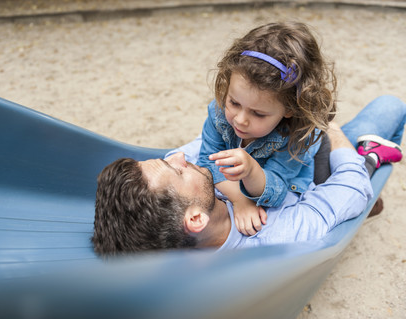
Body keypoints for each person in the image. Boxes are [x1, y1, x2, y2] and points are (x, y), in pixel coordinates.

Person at [92, 95, 405, 257]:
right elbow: (351, 187)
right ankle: (371, 157)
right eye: (174, 169)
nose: (177, 156)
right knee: (392, 107)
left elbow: (205, 146)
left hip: (284, 150)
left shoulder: (188, 204)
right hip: (320, 173)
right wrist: (330, 130)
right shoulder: (272, 236)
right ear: (196, 220)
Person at [196, 22, 337, 236]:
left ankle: (356, 149)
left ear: (289, 109)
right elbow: (206, 163)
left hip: (309, 158)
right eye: (234, 103)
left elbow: (278, 189)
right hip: (250, 182)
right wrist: (240, 200)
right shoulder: (219, 114)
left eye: (258, 114)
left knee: (329, 185)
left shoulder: (295, 137)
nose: (241, 120)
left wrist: (251, 171)